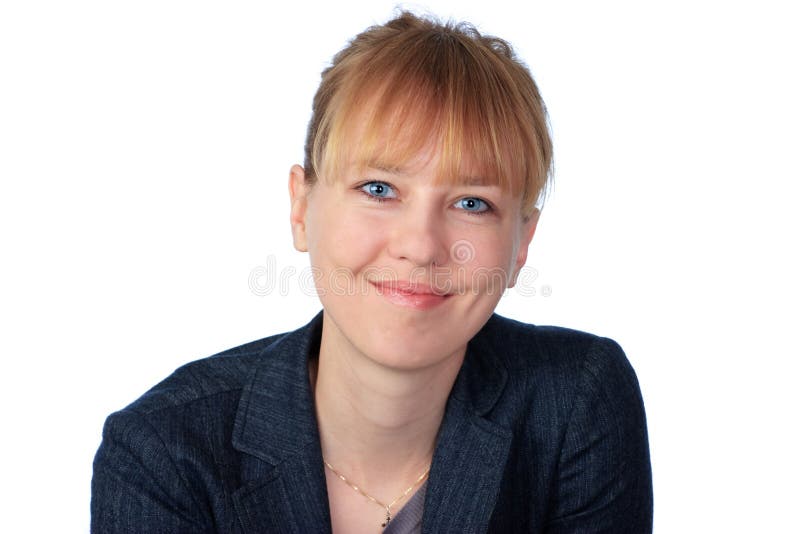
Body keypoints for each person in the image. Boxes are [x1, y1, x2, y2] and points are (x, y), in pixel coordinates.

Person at [91, 11, 652, 533]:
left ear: (522, 243)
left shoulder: (577, 403)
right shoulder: (163, 450)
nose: (420, 246)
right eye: (378, 189)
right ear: (301, 209)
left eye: (472, 203)